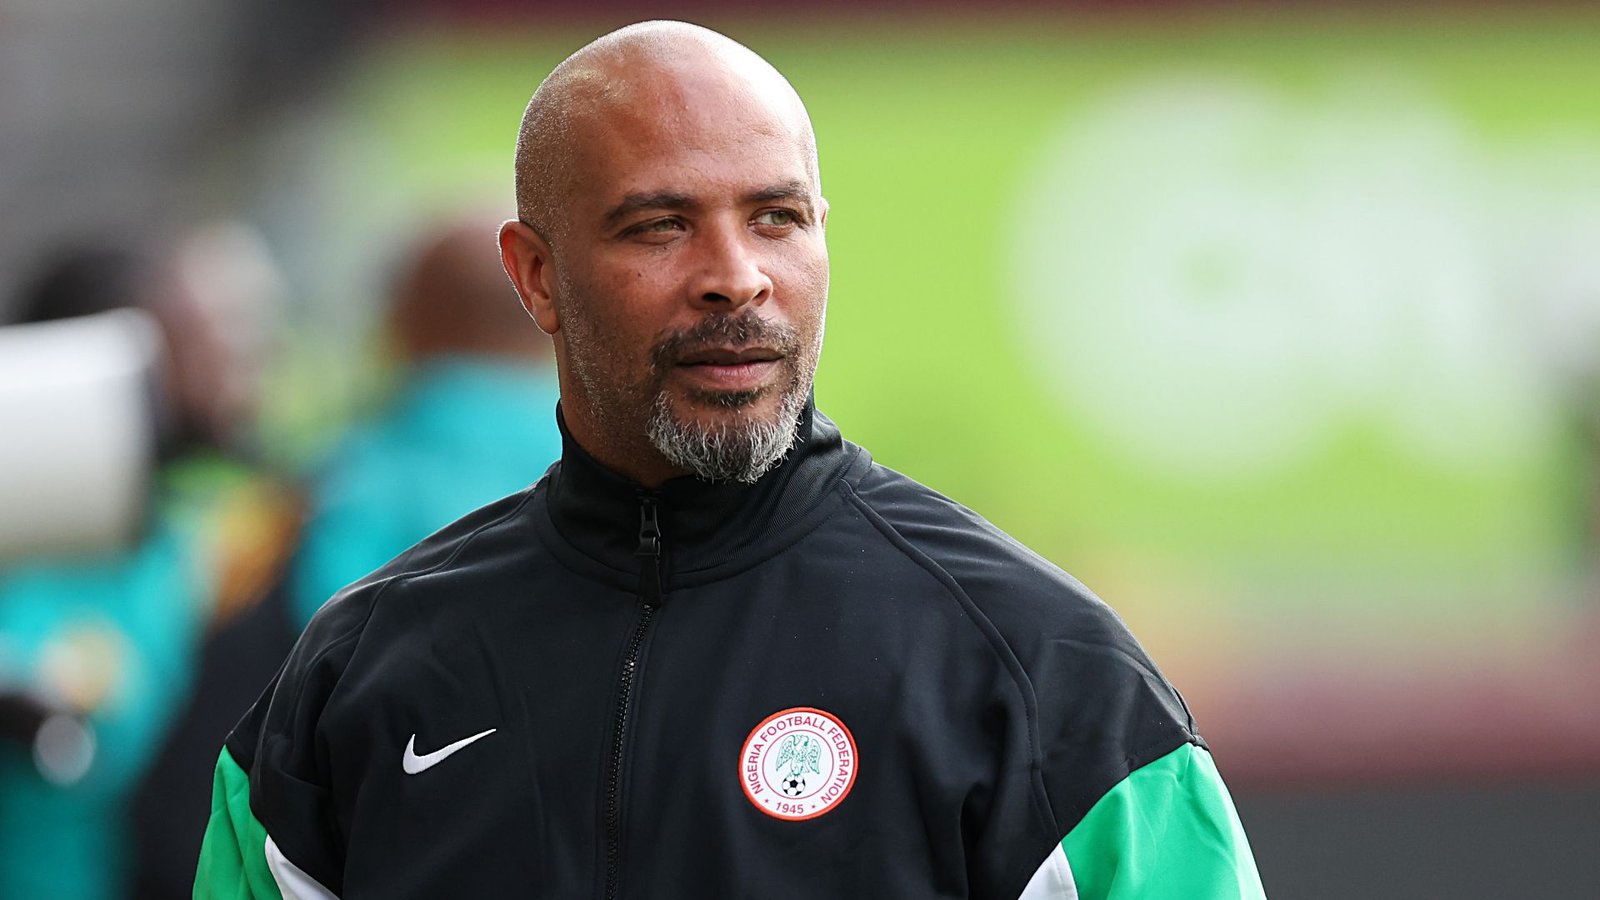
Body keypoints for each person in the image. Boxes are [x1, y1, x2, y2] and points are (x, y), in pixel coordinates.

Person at [195, 21, 1265, 900]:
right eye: (660, 227)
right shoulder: (351, 681)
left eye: (777, 218)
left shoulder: (1045, 673)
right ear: (535, 278)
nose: (736, 278)